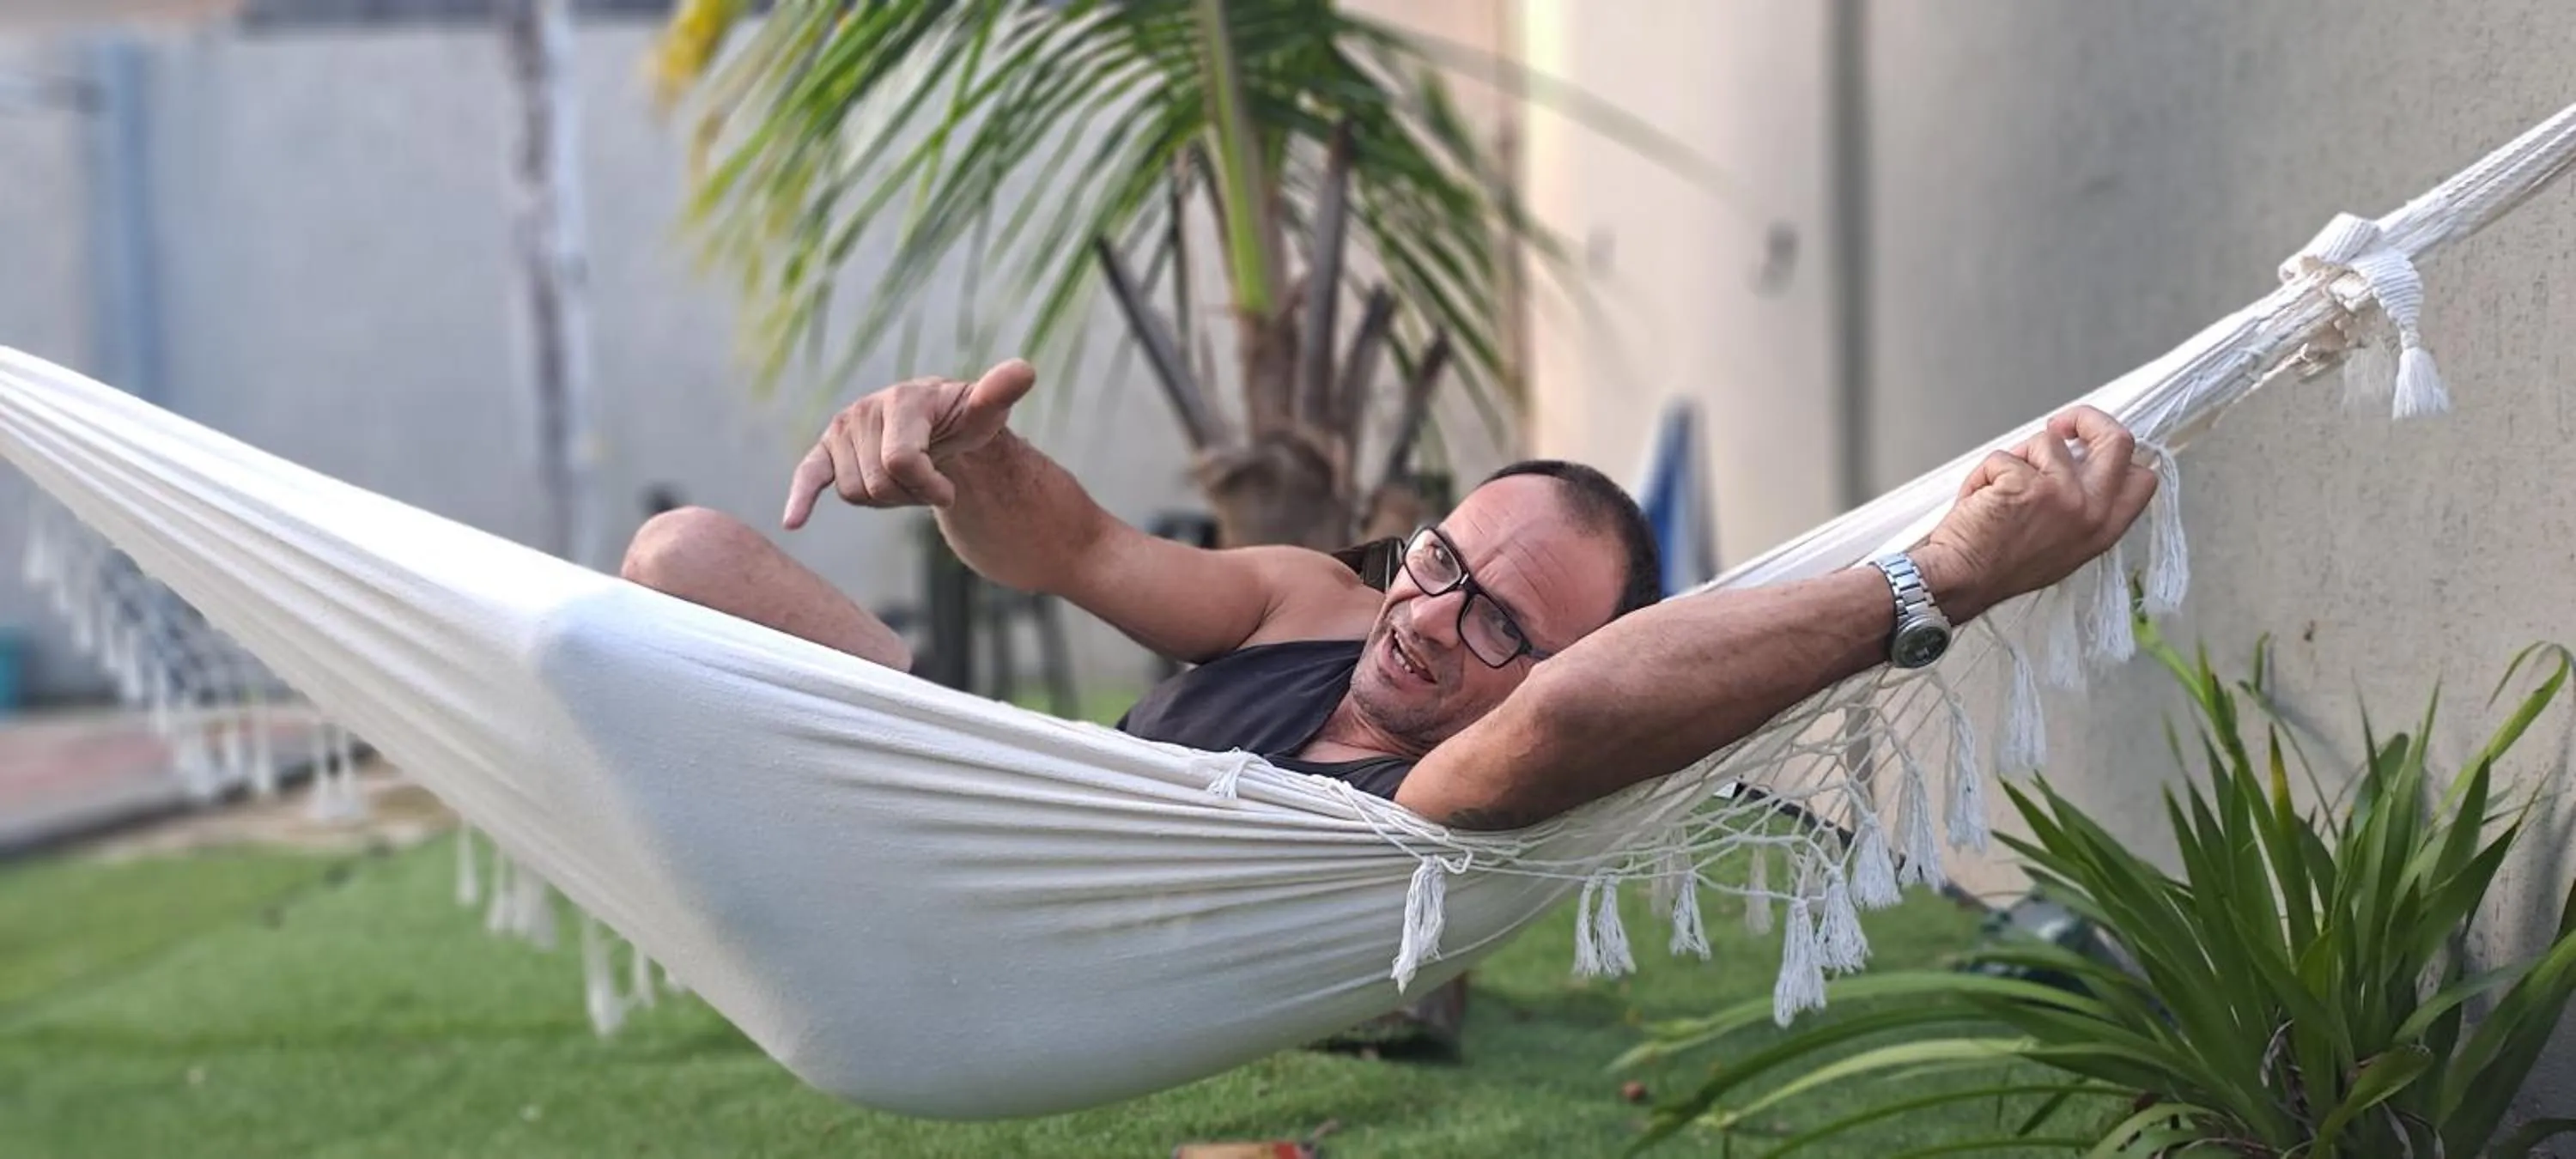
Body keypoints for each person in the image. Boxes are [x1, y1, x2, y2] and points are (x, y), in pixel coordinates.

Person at [621, 359, 2157, 832]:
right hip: (985, 811)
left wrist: (1941, 573)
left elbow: (1578, 706)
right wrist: (972, 462)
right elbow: (1077, 548)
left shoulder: (1476, 783)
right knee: (687, 556)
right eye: (1441, 563)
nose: (1430, 617)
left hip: (1054, 942)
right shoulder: (1316, 601)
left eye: (1502, 622)